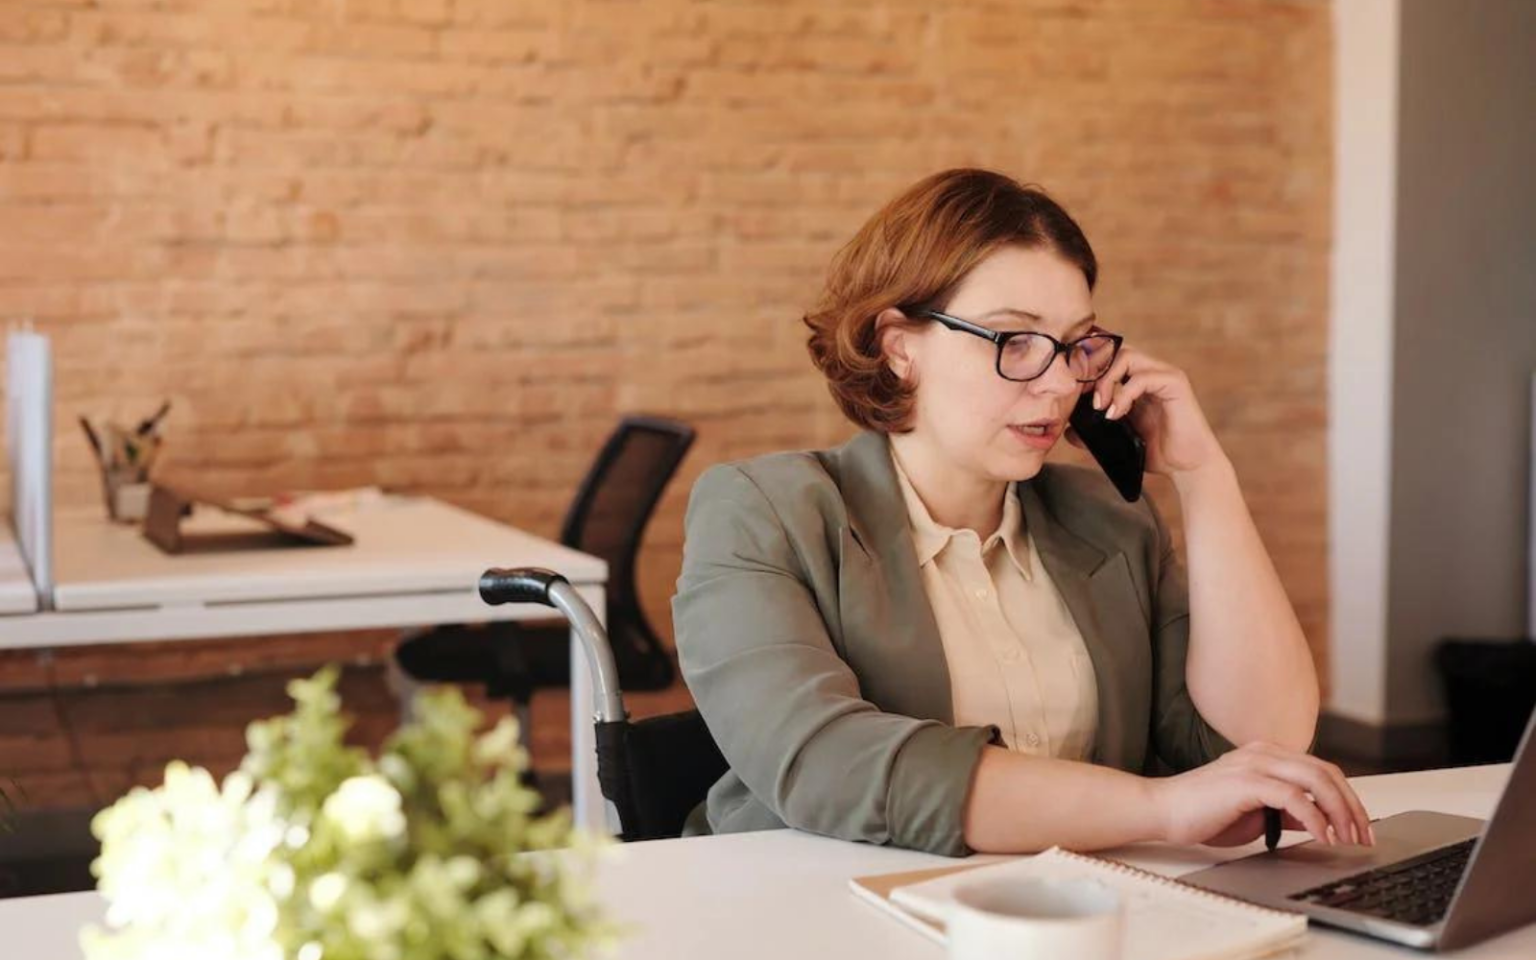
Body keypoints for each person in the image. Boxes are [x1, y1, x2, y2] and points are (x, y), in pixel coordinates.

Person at [672, 168, 1373, 857]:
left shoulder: (1108, 520)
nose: (1062, 379)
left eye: (1076, 344)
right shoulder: (762, 511)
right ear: (899, 346)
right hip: (810, 912)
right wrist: (1158, 807)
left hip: (1063, 918)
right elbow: (823, 761)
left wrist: (1202, 474)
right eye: (1016, 340)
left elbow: (1261, 747)